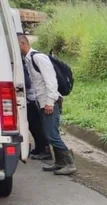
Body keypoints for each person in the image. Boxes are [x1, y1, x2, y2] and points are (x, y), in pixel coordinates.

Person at [17, 33, 75, 175]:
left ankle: (69, 163)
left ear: (22, 44)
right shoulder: (29, 59)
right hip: (42, 102)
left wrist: (50, 102)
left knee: (51, 135)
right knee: (50, 133)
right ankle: (60, 162)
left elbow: (51, 82)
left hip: (50, 102)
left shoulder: (38, 58)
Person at [22, 60, 51, 161]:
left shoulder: (22, 65)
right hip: (29, 100)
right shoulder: (23, 63)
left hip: (31, 100)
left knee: (37, 126)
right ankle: (39, 148)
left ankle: (45, 150)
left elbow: (27, 83)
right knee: (33, 127)